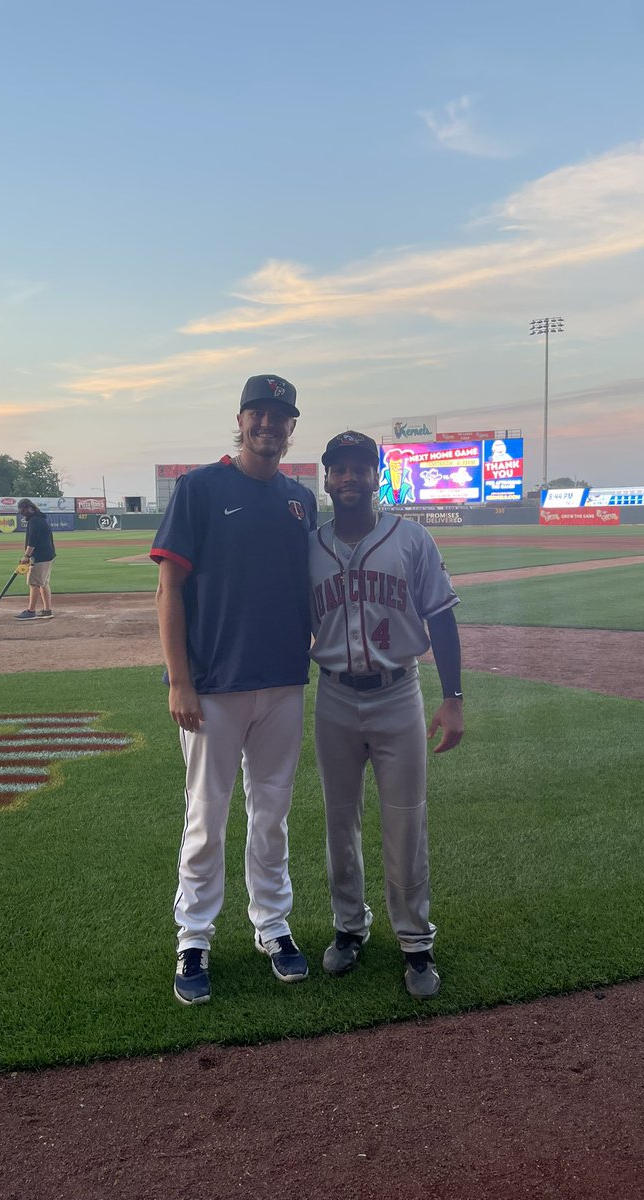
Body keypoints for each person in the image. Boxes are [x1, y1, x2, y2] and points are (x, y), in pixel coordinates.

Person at [150, 374, 317, 1006]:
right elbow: (168, 590)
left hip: (281, 682)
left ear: (291, 427)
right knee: (207, 821)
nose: (269, 425)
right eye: (259, 414)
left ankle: (272, 926)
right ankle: (193, 937)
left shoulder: (300, 499)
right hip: (213, 686)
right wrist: (180, 680)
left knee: (271, 817)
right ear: (240, 419)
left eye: (281, 417)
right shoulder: (200, 488)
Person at [308, 431, 464, 998]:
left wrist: (454, 698)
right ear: (326, 479)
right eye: (339, 469)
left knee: (406, 819)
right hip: (334, 696)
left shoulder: (412, 539)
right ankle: (349, 927)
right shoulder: (310, 546)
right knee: (338, 820)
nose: (349, 477)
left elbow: (441, 618)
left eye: (360, 468)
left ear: (378, 476)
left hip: (399, 694)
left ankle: (416, 940)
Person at [14, 499, 56, 620]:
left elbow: (33, 541)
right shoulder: (39, 519)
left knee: (34, 583)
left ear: (28, 508)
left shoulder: (35, 521)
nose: (21, 512)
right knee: (43, 583)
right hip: (47, 555)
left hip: (40, 557)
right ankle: (47, 610)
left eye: (22, 509)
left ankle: (31, 611)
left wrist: (26, 557)